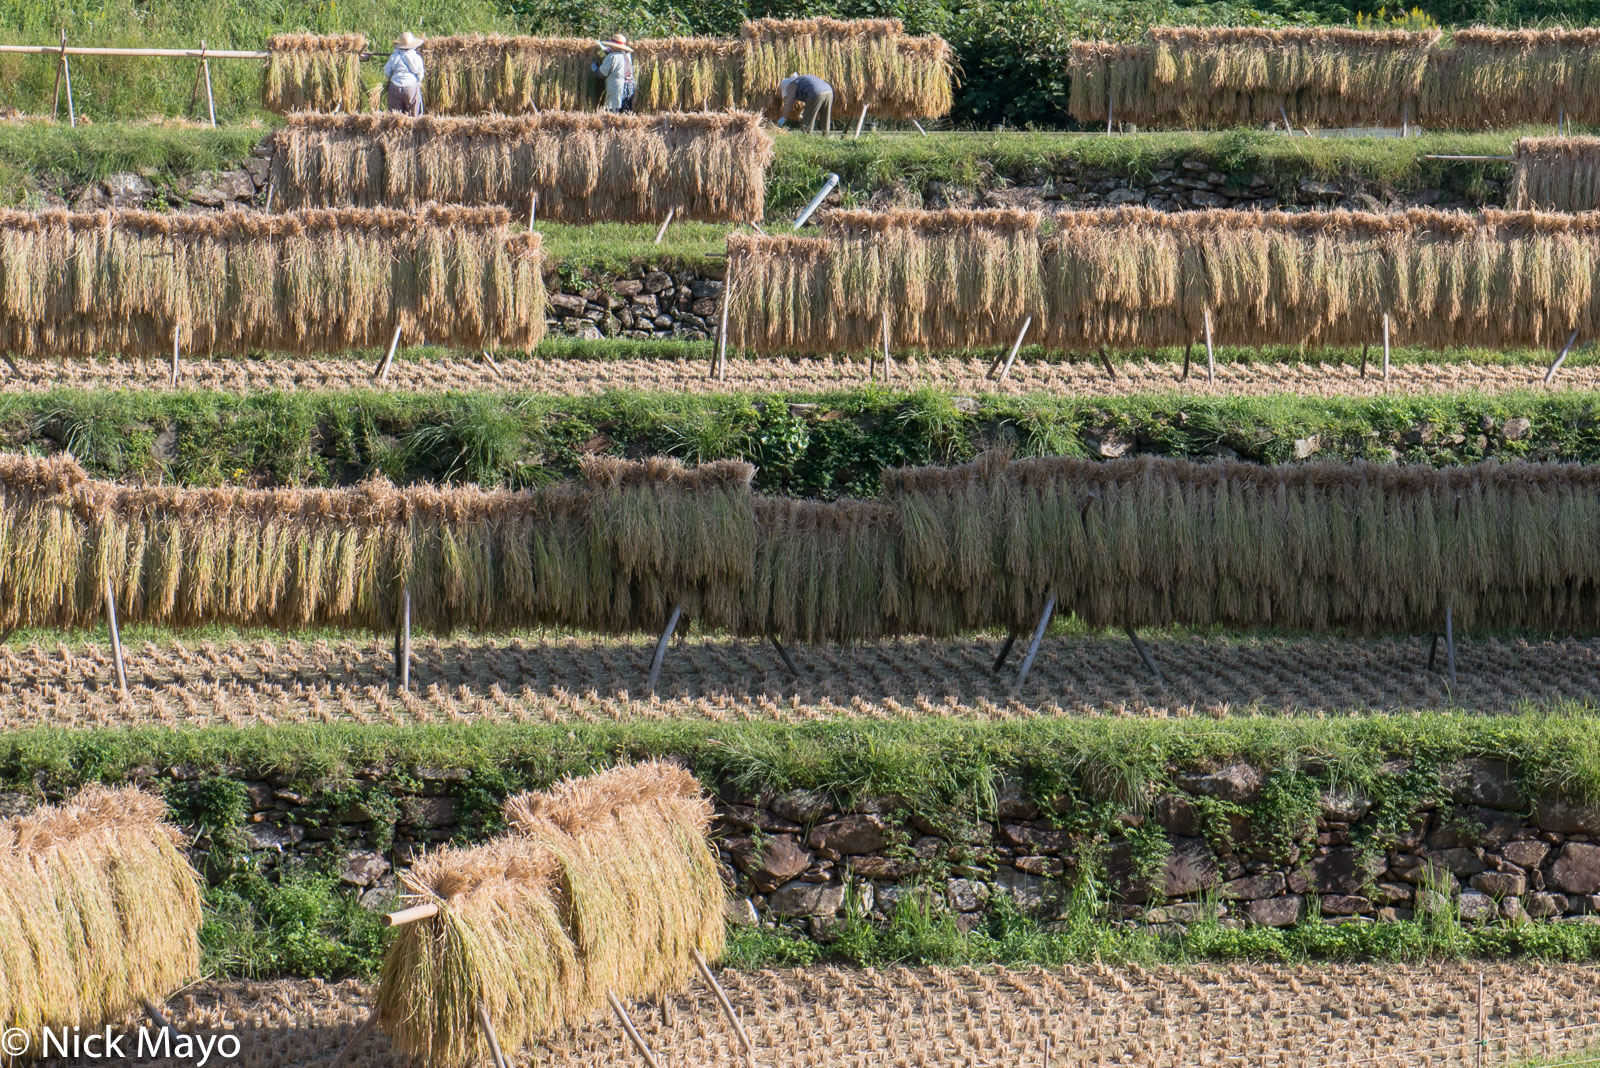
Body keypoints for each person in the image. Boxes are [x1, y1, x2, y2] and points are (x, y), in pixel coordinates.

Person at [384, 31, 426, 115]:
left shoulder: (394, 56)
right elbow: (420, 75)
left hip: (395, 86)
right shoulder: (416, 57)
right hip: (411, 86)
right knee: (413, 114)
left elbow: (387, 71)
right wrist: (417, 81)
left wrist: (391, 79)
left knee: (395, 116)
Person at [592, 35, 636, 112]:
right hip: (629, 87)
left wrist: (594, 67)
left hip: (617, 88)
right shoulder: (628, 55)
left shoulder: (612, 56)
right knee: (626, 113)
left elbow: (602, 74)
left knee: (613, 113)